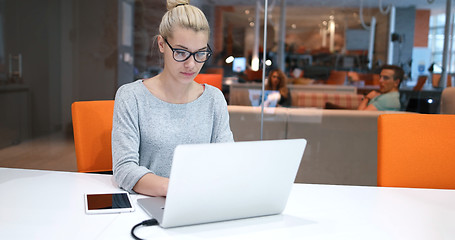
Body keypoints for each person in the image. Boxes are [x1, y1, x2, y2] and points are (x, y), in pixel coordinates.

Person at [111, 0, 234, 197]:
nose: (191, 65)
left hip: (200, 201)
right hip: (147, 204)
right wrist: (178, 189)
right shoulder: (131, 97)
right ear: (161, 44)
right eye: (181, 52)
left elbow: (226, 161)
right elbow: (124, 169)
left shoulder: (214, 99)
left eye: (200, 53)